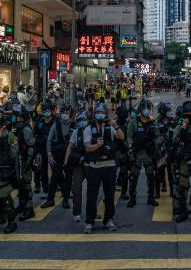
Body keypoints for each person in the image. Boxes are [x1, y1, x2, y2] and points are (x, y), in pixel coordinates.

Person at [82, 104, 125, 234]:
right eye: (98, 112)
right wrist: (97, 145)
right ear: (95, 114)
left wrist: (115, 125)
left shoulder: (109, 127)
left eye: (102, 112)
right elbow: (87, 147)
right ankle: (90, 221)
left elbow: (121, 137)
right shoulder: (89, 129)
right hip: (95, 167)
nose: (100, 114)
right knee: (91, 195)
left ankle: (109, 219)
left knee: (109, 195)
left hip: (110, 166)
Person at [126, 99, 160, 207]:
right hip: (137, 154)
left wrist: (155, 145)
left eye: (148, 108)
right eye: (145, 108)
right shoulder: (134, 122)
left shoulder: (153, 122)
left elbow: (158, 136)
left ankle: (150, 197)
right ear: (140, 109)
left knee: (151, 177)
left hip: (148, 154)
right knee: (133, 177)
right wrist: (131, 147)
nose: (147, 110)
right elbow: (129, 136)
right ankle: (132, 198)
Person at [43, 104, 73, 209]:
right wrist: (49, 153)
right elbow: (49, 140)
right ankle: (50, 199)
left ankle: (66, 199)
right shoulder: (56, 125)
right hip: (57, 154)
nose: (65, 114)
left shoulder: (73, 125)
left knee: (68, 177)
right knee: (55, 177)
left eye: (67, 112)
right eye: (63, 112)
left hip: (69, 155)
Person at [64, 110, 89, 222]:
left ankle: (91, 212)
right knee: (77, 189)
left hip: (90, 164)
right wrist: (65, 162)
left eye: (84, 120)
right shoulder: (76, 132)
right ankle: (76, 213)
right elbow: (70, 147)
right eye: (80, 120)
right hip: (78, 164)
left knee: (92, 190)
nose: (82, 122)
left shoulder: (91, 130)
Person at [13, 104, 36, 221]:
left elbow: (31, 146)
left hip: (24, 160)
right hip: (18, 161)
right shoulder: (16, 127)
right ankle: (22, 205)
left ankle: (29, 209)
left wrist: (29, 162)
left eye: (16, 115)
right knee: (20, 185)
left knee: (26, 186)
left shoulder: (25, 129)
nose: (14, 117)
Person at [33, 103, 53, 196]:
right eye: (44, 111)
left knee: (56, 169)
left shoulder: (55, 121)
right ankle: (41, 187)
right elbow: (35, 132)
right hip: (41, 148)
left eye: (48, 111)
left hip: (53, 148)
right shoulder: (40, 121)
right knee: (40, 168)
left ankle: (59, 185)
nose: (46, 112)